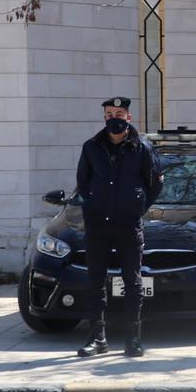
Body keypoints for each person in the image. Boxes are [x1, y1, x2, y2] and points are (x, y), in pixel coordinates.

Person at [75, 97, 162, 358]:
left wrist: (137, 206)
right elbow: (83, 183)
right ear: (104, 118)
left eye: (119, 114)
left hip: (128, 224)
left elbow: (155, 183)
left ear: (128, 117)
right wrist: (94, 206)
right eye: (110, 114)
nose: (114, 118)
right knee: (95, 281)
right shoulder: (91, 147)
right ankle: (97, 338)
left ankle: (132, 339)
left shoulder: (142, 148)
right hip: (98, 224)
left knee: (132, 282)